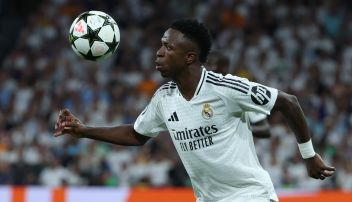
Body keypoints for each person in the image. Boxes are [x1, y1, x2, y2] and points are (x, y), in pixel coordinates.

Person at [54, 19, 335, 202]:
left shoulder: (225, 88)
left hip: (249, 195)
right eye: (160, 45)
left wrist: (309, 156)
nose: (158, 52)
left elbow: (288, 102)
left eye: (167, 47)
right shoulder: (164, 98)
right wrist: (84, 131)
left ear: (189, 57)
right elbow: (136, 134)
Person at [205, 50, 271, 138]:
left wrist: (236, 129)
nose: (206, 69)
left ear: (224, 67)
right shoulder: (202, 93)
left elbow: (265, 129)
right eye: (205, 64)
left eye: (211, 64)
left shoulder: (241, 91)